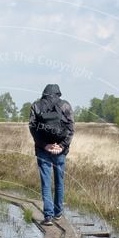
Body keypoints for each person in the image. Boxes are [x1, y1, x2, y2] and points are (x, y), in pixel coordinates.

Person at [28, 83, 74, 225]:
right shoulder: (65, 105)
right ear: (58, 93)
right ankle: (58, 213)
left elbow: (32, 128)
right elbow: (71, 128)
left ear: (44, 93)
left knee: (46, 183)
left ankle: (48, 216)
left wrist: (44, 145)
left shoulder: (36, 106)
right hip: (59, 151)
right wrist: (61, 146)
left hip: (43, 150)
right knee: (59, 182)